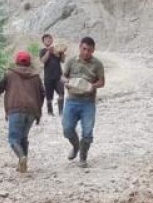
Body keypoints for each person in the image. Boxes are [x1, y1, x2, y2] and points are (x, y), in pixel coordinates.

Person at [0, 51, 45, 173]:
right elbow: (42, 94)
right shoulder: (36, 76)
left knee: (13, 138)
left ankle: (21, 157)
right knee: (23, 137)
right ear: (29, 62)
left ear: (16, 61)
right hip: (31, 111)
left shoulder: (9, 74)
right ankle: (23, 164)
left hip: (15, 109)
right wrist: (38, 110)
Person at [62, 36, 105, 169]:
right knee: (67, 129)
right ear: (80, 47)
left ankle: (83, 156)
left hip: (88, 102)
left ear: (93, 50)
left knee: (87, 132)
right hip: (72, 100)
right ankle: (76, 146)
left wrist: (93, 86)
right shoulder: (71, 61)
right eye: (84, 49)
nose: (86, 52)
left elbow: (102, 82)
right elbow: (63, 76)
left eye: (89, 50)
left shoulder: (97, 64)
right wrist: (66, 82)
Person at [39, 33, 65, 116]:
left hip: (58, 76)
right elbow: (43, 61)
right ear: (43, 42)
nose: (48, 40)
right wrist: (49, 52)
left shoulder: (57, 49)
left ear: (52, 40)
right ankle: (50, 112)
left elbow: (63, 60)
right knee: (49, 96)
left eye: (49, 38)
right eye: (46, 39)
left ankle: (61, 111)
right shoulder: (42, 51)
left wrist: (62, 53)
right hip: (48, 77)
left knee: (61, 93)